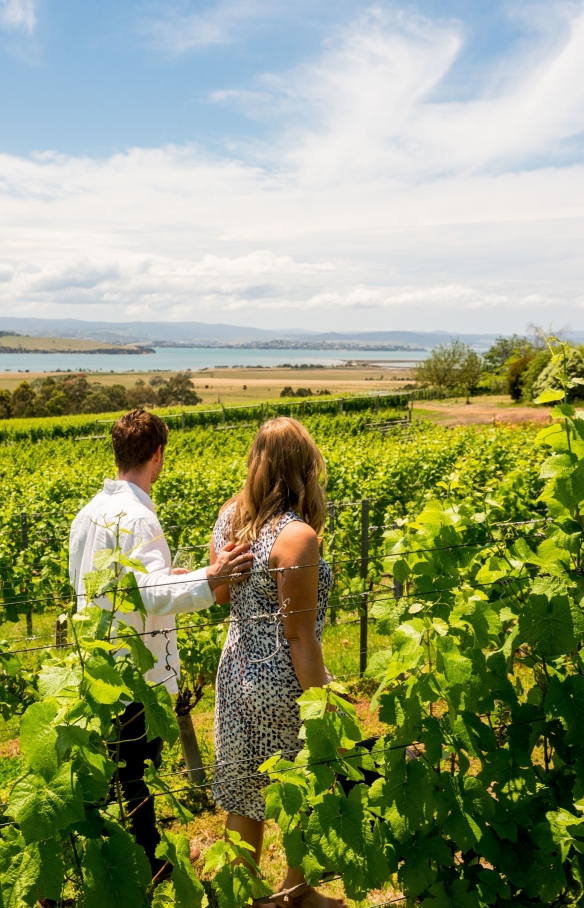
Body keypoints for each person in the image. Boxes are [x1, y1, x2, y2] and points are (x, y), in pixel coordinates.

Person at [69, 408, 253, 877]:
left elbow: (109, 585)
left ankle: (118, 858)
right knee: (137, 775)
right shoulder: (140, 518)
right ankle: (149, 865)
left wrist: (174, 577)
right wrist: (211, 578)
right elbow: (151, 595)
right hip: (137, 673)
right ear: (157, 454)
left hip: (98, 665)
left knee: (116, 773)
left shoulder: (89, 513)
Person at [211, 417, 344, 908]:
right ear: (305, 468)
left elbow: (222, 594)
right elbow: (300, 637)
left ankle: (244, 895)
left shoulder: (231, 519)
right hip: (283, 681)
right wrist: (325, 698)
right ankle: (295, 891)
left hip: (237, 669)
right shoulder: (298, 537)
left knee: (245, 786)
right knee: (301, 784)